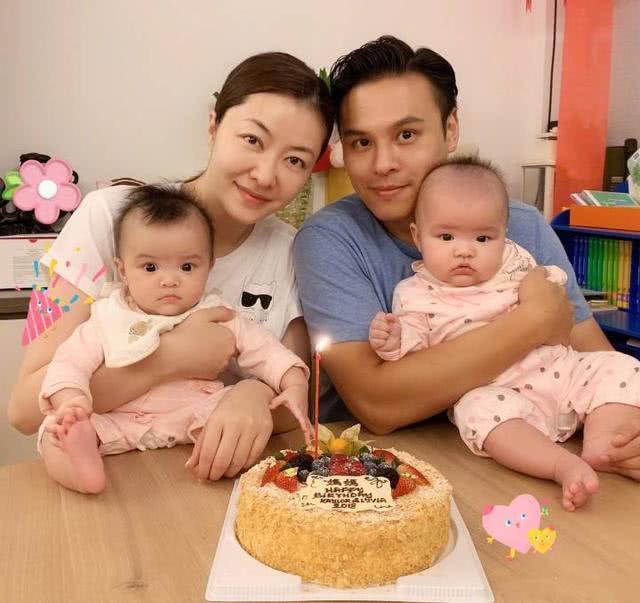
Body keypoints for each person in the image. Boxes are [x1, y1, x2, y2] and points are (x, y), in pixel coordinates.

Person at [293, 35, 639, 477]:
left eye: (406, 135)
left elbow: (593, 356)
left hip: (539, 463)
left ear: (451, 129)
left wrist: (625, 434)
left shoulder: (521, 224)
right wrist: (534, 320)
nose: (382, 164)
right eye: (361, 142)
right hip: (400, 469)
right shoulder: (330, 239)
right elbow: (378, 404)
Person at [9, 51, 334, 481]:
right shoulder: (105, 218)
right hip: (114, 479)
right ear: (214, 126)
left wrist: (254, 393)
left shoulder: (292, 251)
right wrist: (168, 358)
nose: (265, 174)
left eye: (295, 160)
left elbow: (292, 402)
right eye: (253, 140)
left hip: (206, 482)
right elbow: (24, 408)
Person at [369, 157, 640, 510]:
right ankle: (560, 465)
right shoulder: (415, 294)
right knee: (476, 410)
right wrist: (392, 338)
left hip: (564, 373)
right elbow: (412, 341)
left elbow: (552, 289)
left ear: (503, 236)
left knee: (617, 365)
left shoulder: (515, 262)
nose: (464, 250)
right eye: (446, 237)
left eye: (483, 238)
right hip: (502, 396)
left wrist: (546, 284)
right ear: (419, 236)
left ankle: (606, 445)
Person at [39, 186, 312, 493]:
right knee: (54, 429)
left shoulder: (217, 314)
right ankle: (82, 471)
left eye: (187, 267)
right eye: (150, 267)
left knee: (234, 419)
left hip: (196, 416)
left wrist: (294, 382)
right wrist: (72, 402)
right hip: (120, 419)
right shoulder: (107, 317)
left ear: (209, 266)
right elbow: (69, 363)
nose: (169, 280)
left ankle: (224, 462)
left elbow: (266, 350)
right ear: (123, 270)